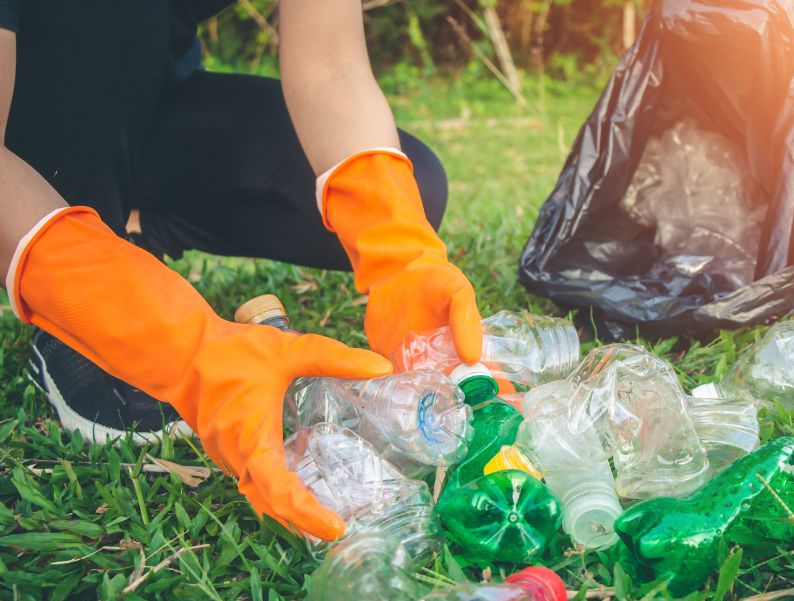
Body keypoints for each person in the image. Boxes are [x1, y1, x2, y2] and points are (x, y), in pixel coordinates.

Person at [0, 0, 482, 541]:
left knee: (421, 186)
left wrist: (398, 250)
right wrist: (191, 350)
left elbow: (331, 65)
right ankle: (84, 290)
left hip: (158, 107)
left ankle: (133, 229)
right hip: (28, 121)